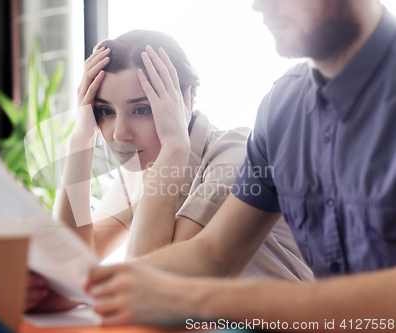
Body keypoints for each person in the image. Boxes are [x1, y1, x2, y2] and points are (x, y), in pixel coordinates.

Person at [86, 0, 396, 329]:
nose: (259, 4)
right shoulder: (283, 107)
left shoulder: (227, 152)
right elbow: (214, 254)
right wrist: (93, 287)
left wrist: (197, 300)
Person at [26, 30, 313, 312]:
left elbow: (148, 286)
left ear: (185, 100)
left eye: (141, 110)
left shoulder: (232, 157)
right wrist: (81, 138)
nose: (118, 133)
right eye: (105, 111)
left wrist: (176, 146)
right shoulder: (141, 167)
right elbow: (73, 262)